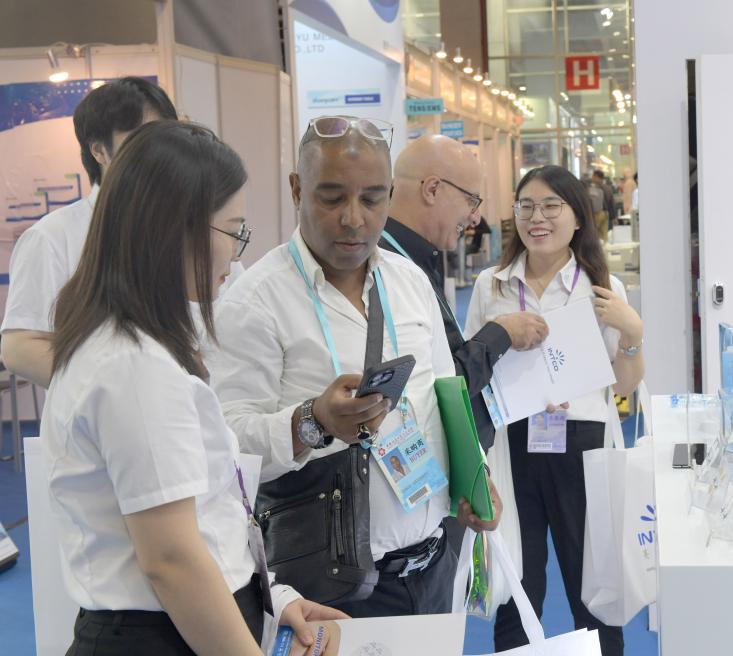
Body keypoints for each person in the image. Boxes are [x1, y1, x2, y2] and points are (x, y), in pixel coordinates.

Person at [43, 120, 345, 655]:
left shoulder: (132, 345)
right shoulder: (134, 367)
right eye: (233, 231)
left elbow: (206, 520)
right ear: (176, 230)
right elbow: (172, 560)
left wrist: (269, 597)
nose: (237, 254)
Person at [209, 116, 502, 618]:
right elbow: (227, 449)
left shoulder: (409, 281)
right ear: (297, 189)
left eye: (371, 199)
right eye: (331, 197)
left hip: (433, 562)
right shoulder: (255, 301)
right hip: (329, 586)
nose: (353, 218)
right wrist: (311, 423)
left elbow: (444, 394)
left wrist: (473, 474)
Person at [465, 165, 645, 656]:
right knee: (516, 591)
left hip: (582, 448)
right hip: (511, 447)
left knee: (593, 589)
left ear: (577, 217)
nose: (536, 218)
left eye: (550, 206)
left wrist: (632, 333)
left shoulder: (602, 288)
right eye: (526, 206)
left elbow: (624, 385)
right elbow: (470, 373)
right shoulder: (491, 286)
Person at [1, 77, 178, 388]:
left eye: (165, 137)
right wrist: (116, 389)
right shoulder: (52, 236)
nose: (157, 151)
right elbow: (19, 347)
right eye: (141, 138)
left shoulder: (188, 225)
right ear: (99, 151)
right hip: (107, 413)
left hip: (196, 409)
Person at [381, 134, 548, 454]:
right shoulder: (391, 270)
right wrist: (500, 334)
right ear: (432, 189)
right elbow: (430, 388)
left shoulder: (416, 259)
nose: (475, 217)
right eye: (472, 200)